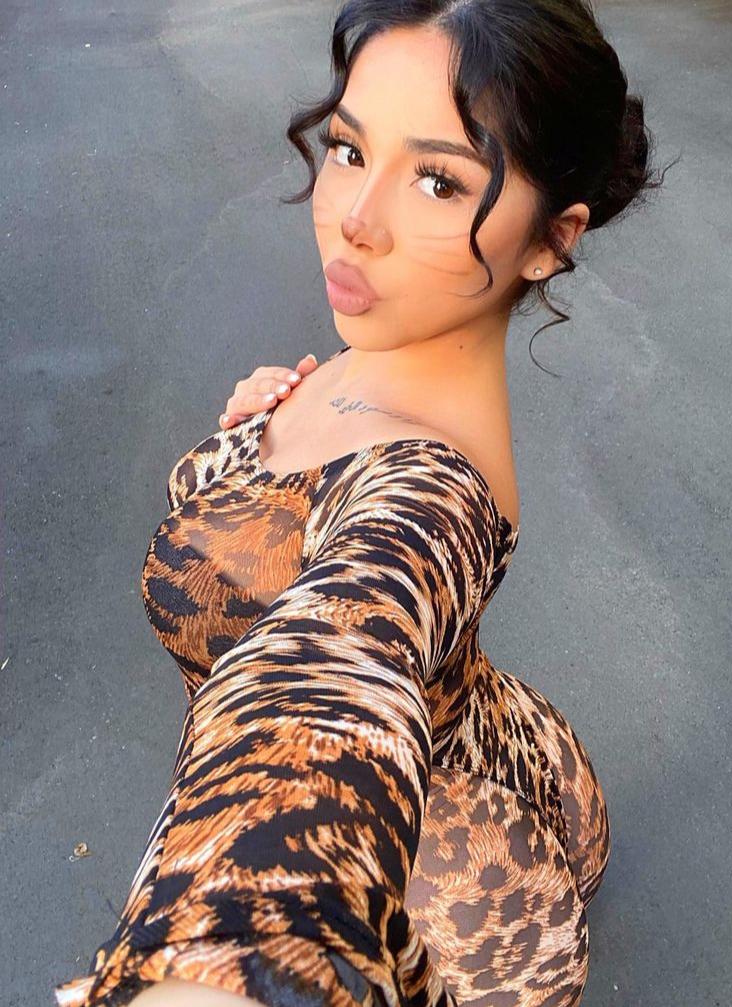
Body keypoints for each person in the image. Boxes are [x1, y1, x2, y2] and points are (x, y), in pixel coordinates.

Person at [55, 1, 666, 1004]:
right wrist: (254, 444)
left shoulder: (431, 491)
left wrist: (211, 970)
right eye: (348, 148)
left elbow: (328, 679)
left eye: (438, 180)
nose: (354, 217)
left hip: (453, 891)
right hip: (502, 748)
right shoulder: (386, 349)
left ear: (550, 240)